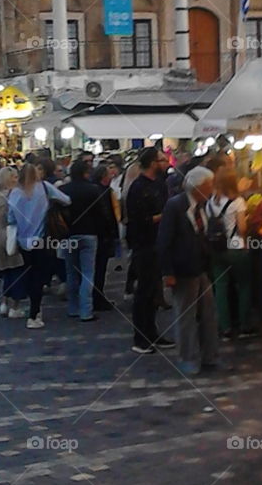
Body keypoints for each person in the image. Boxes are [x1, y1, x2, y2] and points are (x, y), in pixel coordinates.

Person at [158, 166, 219, 376]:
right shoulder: (175, 206)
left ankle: (209, 355)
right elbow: (164, 240)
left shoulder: (203, 206)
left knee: (208, 312)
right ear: (199, 186)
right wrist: (168, 272)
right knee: (185, 315)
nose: (212, 189)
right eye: (209, 185)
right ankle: (187, 357)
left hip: (201, 267)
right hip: (183, 269)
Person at [7, 164, 69, 328]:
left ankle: (33, 308)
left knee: (28, 273)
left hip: (22, 240)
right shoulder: (44, 187)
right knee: (39, 276)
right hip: (42, 239)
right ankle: (35, 313)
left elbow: (11, 218)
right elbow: (66, 200)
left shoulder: (15, 193)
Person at [126, 146, 173, 354]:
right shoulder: (138, 188)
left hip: (159, 244)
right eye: (162, 160)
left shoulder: (160, 185)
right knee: (143, 292)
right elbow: (138, 220)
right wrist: (165, 216)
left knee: (154, 292)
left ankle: (152, 333)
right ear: (153, 163)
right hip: (144, 245)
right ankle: (140, 338)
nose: (166, 163)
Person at [207, 167, 257, 338]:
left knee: (221, 287)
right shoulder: (238, 202)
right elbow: (242, 228)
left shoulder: (210, 202)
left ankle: (225, 327)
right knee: (243, 285)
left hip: (216, 249)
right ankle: (244, 325)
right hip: (236, 247)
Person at [61, 158, 101, 322]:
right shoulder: (93, 190)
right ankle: (86, 311)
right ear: (86, 172)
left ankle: (73, 308)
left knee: (71, 273)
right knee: (87, 273)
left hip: (68, 234)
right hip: (89, 233)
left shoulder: (63, 189)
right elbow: (100, 212)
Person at [0, 165, 26, 318]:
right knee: (17, 271)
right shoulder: (15, 195)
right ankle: (15, 307)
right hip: (13, 236)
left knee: (6, 272)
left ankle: (4, 303)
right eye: (15, 177)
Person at [92, 161, 119, 311]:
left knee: (98, 268)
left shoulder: (98, 190)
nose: (112, 175)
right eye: (109, 174)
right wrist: (111, 233)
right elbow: (107, 214)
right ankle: (98, 298)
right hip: (103, 235)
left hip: (99, 234)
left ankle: (96, 297)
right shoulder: (104, 192)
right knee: (100, 268)